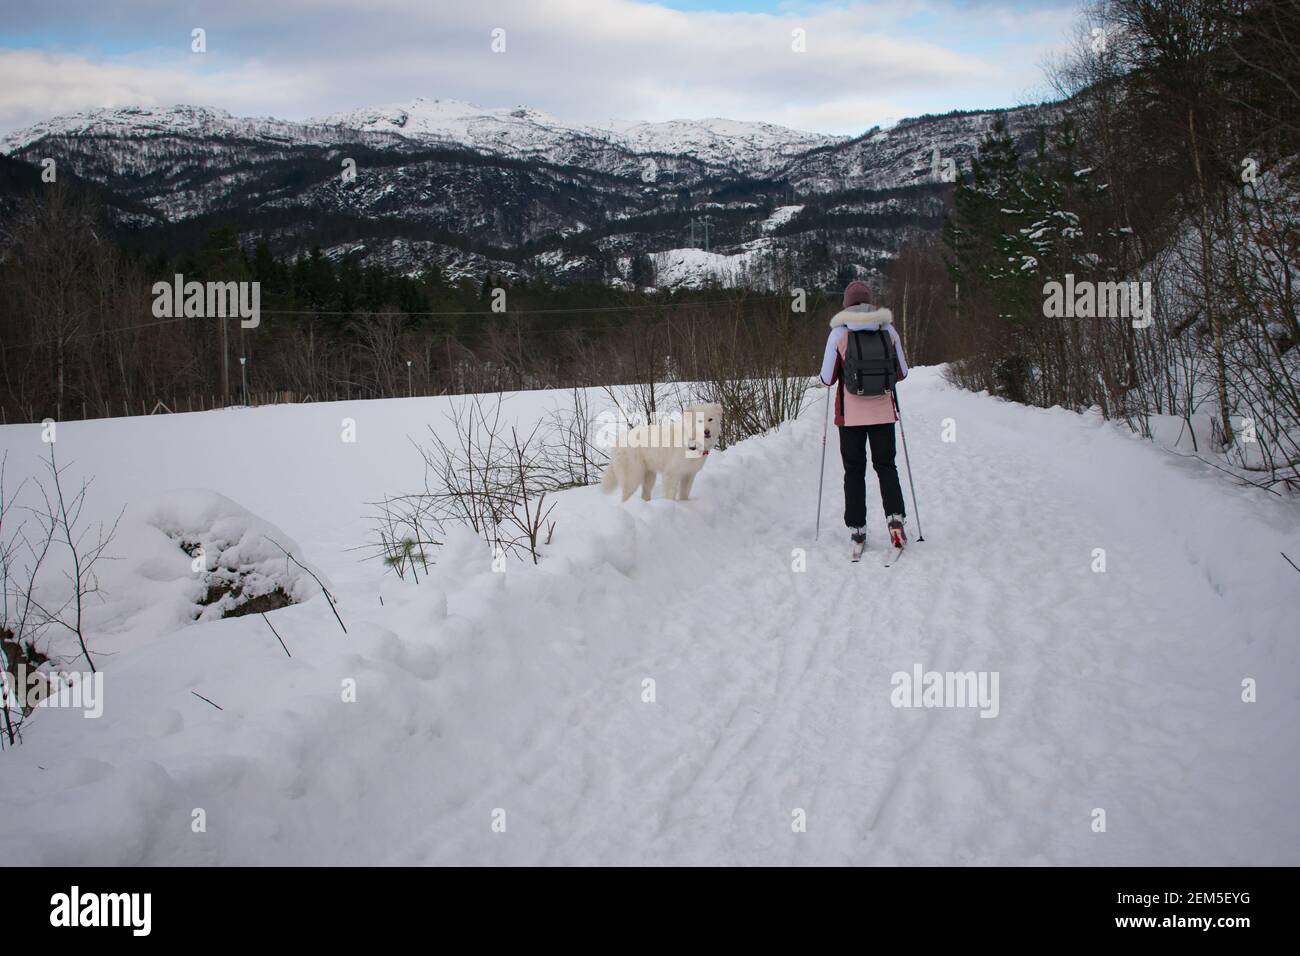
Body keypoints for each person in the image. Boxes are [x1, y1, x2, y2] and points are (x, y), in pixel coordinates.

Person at [818, 280, 908, 551]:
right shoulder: (888, 330)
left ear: (846, 304)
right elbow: (902, 372)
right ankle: (895, 519)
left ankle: (857, 529)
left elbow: (826, 379)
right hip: (883, 414)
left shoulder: (838, 334)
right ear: (871, 301)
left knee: (854, 471)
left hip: (851, 417)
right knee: (886, 466)